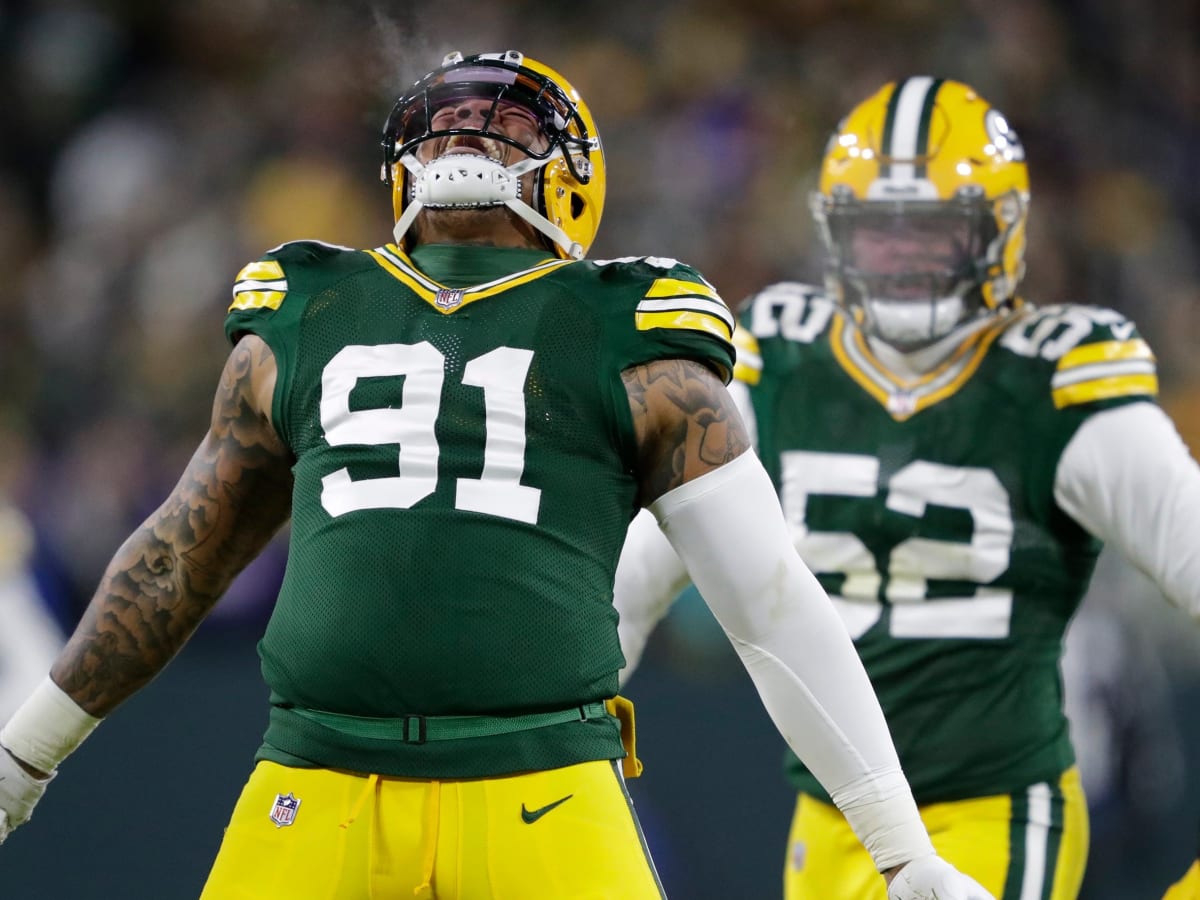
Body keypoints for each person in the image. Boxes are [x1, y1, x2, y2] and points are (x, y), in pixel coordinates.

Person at [0, 51, 989, 899]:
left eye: (509, 121)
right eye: (450, 121)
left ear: (573, 182)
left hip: (543, 783)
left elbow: (770, 603)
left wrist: (900, 851)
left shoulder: (633, 328)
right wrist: (20, 757)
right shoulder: (307, 304)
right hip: (318, 775)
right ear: (399, 165)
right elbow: (181, 554)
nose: (471, 136)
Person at [614, 76, 1200, 899]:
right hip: (830, 810)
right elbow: (634, 580)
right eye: (879, 235)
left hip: (991, 806)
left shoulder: (1057, 384)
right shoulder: (780, 362)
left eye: (935, 234)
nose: (904, 260)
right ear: (835, 236)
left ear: (1001, 234)